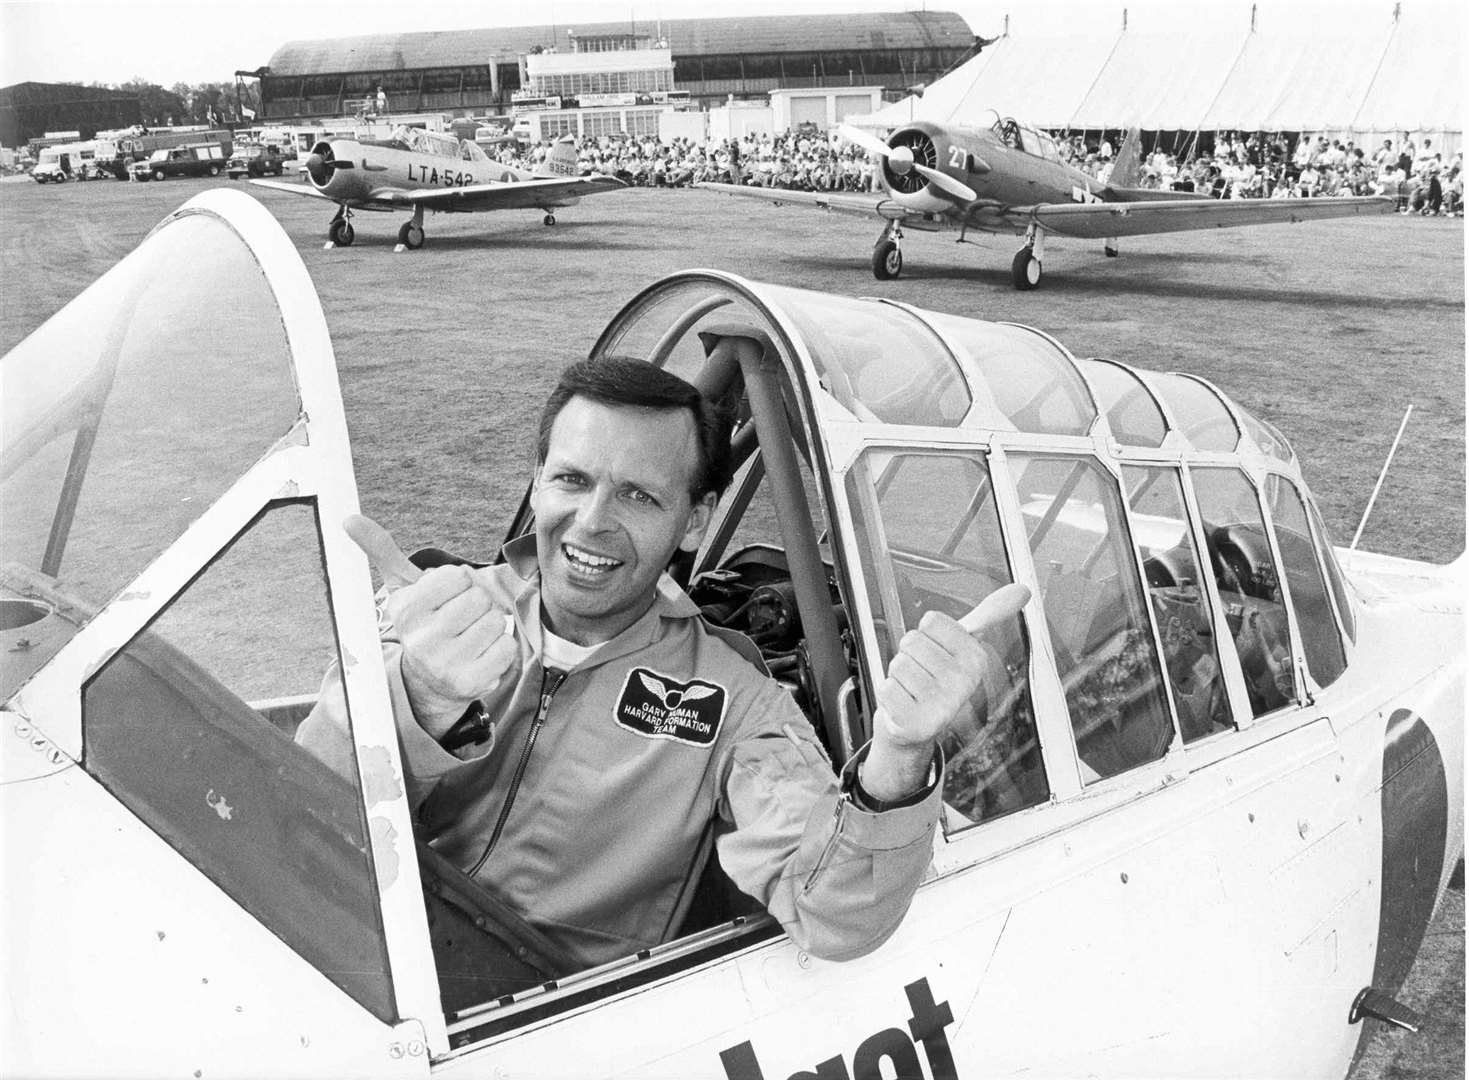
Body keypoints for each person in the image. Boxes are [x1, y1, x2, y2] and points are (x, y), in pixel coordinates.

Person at [298, 356, 1024, 972]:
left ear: (698, 518)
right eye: (572, 480)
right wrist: (414, 698)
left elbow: (834, 911)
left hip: (536, 1015)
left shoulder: (736, 702)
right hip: (348, 952)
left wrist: (898, 755)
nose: (591, 522)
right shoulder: (437, 615)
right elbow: (298, 808)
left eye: (638, 495)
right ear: (538, 478)